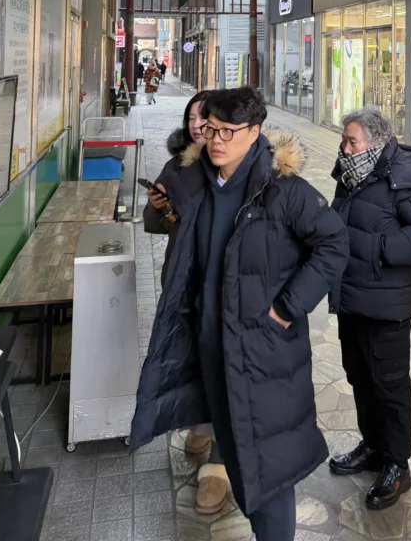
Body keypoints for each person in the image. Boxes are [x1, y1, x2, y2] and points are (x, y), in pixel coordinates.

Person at [131, 88, 349, 541]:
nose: (216, 140)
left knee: (267, 469)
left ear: (255, 132)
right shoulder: (192, 181)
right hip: (208, 344)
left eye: (229, 132)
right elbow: (164, 228)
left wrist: (287, 307)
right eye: (211, 128)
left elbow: (334, 243)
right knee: (232, 448)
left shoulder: (284, 191)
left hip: (261, 351)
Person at [328, 108, 411, 510]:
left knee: (390, 385)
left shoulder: (403, 177)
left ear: (374, 143)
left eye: (351, 141)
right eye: (344, 140)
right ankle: (373, 447)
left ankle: (397, 465)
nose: (344, 148)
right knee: (359, 377)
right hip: (351, 299)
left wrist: (377, 250)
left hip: (385, 304)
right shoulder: (349, 174)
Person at [142, 91, 229, 514]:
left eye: (205, 117)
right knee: (193, 357)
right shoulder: (177, 166)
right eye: (192, 117)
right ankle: (203, 422)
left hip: (224, 288)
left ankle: (219, 463)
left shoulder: (233, 167)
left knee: (222, 365)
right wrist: (157, 207)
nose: (197, 124)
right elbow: (155, 225)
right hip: (182, 283)